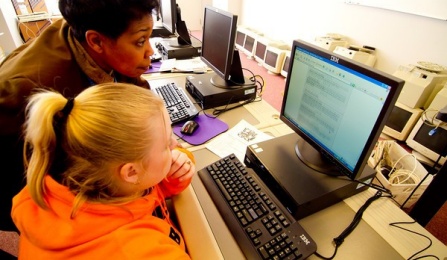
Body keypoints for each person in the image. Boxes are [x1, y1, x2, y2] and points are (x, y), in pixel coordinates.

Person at [0, 0, 172, 231]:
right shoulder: (24, 91)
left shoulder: (88, 32)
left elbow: (132, 91)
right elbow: (24, 184)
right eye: (141, 41)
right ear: (96, 41)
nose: (150, 51)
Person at [12, 83, 194, 258]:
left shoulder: (69, 185)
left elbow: (150, 187)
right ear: (131, 172)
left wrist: (178, 171)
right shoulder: (136, 251)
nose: (175, 145)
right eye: (166, 144)